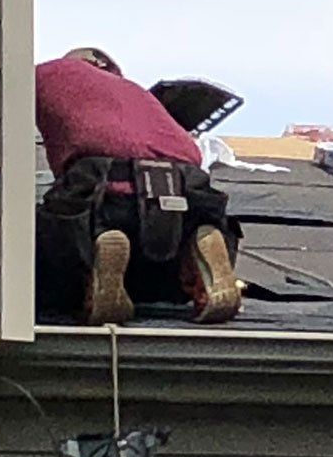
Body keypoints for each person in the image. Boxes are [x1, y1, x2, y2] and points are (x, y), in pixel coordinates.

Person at [35, 47, 242, 325]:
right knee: (167, 266)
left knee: (50, 240)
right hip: (191, 187)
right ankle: (199, 250)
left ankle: (94, 269)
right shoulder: (136, 92)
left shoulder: (44, 75)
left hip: (102, 185)